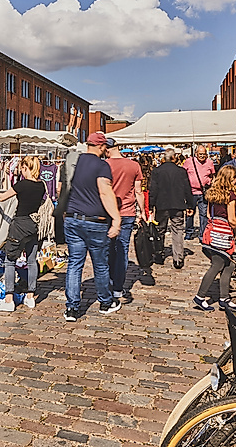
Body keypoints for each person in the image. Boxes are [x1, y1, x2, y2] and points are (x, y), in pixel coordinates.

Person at [62, 132, 122, 322]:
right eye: (105, 146)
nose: (106, 150)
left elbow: (60, 188)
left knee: (74, 264)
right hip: (95, 221)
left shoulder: (73, 163)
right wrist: (117, 219)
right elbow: (105, 192)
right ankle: (105, 302)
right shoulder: (102, 165)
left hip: (72, 219)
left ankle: (72, 308)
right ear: (101, 146)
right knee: (100, 265)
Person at [0, 156, 45, 311]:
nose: (21, 171)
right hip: (34, 224)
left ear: (27, 168)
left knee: (10, 260)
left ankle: (9, 299)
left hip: (19, 224)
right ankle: (30, 296)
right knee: (32, 261)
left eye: (22, 168)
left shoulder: (22, 184)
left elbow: (2, 197)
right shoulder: (42, 185)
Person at [194, 165, 236, 311]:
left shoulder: (213, 194)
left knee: (229, 265)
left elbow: (209, 214)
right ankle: (200, 296)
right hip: (223, 235)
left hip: (212, 232)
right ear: (229, 179)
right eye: (235, 178)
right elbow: (232, 219)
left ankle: (224, 298)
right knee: (217, 265)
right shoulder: (230, 196)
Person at [104, 139, 143, 304]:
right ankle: (118, 288)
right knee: (122, 250)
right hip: (127, 212)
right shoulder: (133, 165)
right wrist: (142, 212)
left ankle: (109, 282)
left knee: (107, 249)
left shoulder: (104, 165)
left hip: (107, 212)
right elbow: (139, 191)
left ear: (107, 149)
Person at [147, 150, 195, 269]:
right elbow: (187, 189)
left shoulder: (157, 171)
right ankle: (178, 258)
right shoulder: (181, 171)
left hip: (161, 205)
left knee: (160, 230)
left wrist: (150, 206)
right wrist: (190, 205)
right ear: (174, 158)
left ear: (163, 159)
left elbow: (153, 189)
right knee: (178, 231)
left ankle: (159, 254)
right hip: (177, 204)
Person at [184, 145, 216, 242]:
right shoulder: (189, 161)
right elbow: (183, 174)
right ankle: (189, 232)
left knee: (203, 214)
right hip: (191, 192)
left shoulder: (210, 163)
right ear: (196, 154)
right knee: (190, 213)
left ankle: (202, 235)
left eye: (204, 154)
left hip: (203, 192)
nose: (202, 156)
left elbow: (213, 175)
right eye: (200, 154)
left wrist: (211, 184)